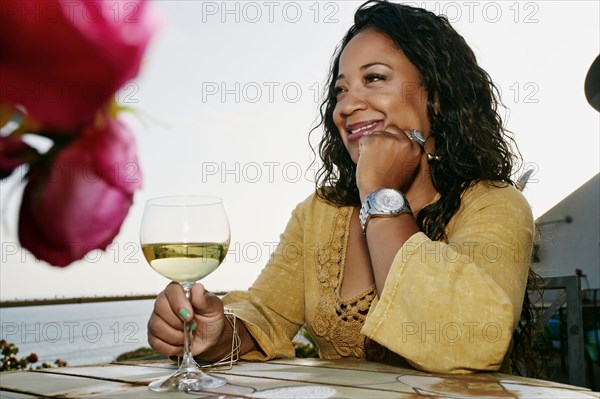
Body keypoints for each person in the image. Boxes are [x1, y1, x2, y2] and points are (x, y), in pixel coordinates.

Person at [148, 0, 537, 375]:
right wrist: (218, 336)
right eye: (341, 90)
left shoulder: (495, 205)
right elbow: (266, 312)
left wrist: (380, 197)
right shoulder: (320, 212)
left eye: (374, 78)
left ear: (436, 94)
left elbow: (470, 341)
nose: (346, 107)